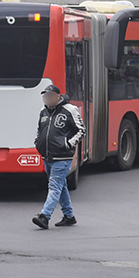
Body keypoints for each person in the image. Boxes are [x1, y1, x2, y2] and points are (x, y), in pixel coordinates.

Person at [32, 83, 85, 229]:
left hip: (62, 157)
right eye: (45, 96)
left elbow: (81, 130)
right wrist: (38, 143)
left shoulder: (70, 110)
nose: (47, 99)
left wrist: (68, 144)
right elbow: (39, 129)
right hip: (47, 156)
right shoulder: (43, 111)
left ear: (57, 97)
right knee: (61, 187)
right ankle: (69, 216)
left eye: (49, 96)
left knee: (54, 186)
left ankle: (44, 216)